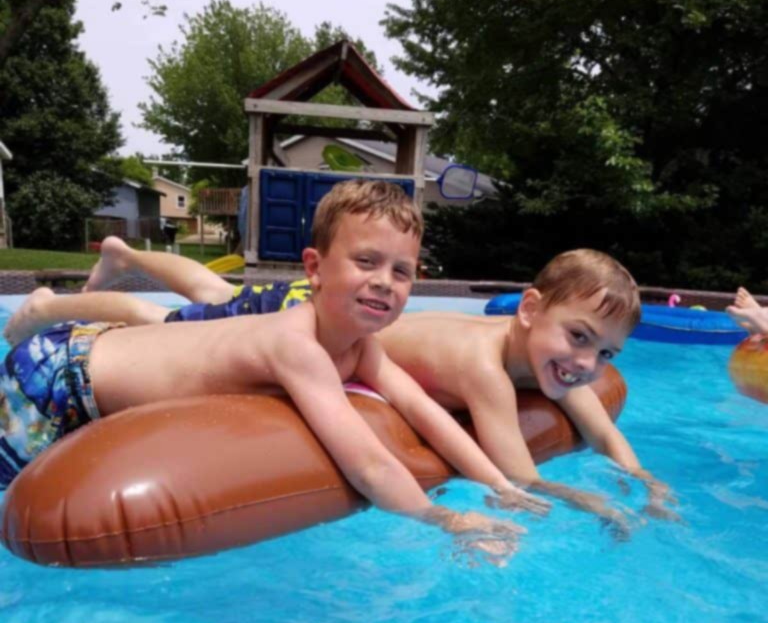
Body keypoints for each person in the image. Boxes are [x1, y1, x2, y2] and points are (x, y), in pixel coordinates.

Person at [1, 180, 545, 565]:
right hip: (57, 376)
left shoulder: (362, 346)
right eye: (366, 262)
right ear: (314, 268)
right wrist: (446, 521)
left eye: (401, 271)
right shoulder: (295, 344)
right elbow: (370, 466)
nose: (385, 281)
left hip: (100, 361)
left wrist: (500, 486)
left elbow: (425, 413)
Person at [4, 244, 675, 528]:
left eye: (604, 353)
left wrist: (640, 474)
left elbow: (590, 412)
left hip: (342, 328)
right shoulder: (484, 369)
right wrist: (593, 504)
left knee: (210, 295)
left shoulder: (554, 355)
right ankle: (55, 305)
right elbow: (518, 474)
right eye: (580, 339)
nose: (587, 363)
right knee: (176, 319)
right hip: (309, 312)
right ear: (529, 311)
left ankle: (121, 259)